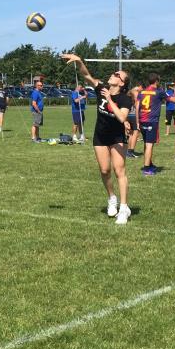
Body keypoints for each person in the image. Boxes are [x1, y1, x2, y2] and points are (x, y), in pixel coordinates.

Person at [62, 53, 134, 224]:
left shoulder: (125, 99)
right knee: (104, 170)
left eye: (117, 75)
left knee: (119, 170)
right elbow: (87, 75)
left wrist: (109, 99)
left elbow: (122, 117)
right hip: (100, 136)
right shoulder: (101, 88)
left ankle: (124, 208)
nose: (113, 75)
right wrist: (79, 61)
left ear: (121, 83)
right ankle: (112, 198)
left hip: (117, 137)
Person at [136, 73, 168, 175]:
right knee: (149, 144)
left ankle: (149, 164)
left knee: (147, 143)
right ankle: (146, 169)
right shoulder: (159, 92)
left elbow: (137, 107)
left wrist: (137, 122)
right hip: (151, 121)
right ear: (156, 81)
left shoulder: (142, 92)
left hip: (142, 120)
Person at [125, 81, 142, 157]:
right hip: (134, 114)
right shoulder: (136, 92)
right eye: (142, 88)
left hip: (127, 114)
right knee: (136, 133)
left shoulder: (129, 92)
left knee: (131, 134)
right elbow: (136, 104)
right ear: (139, 86)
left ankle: (128, 151)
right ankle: (131, 151)